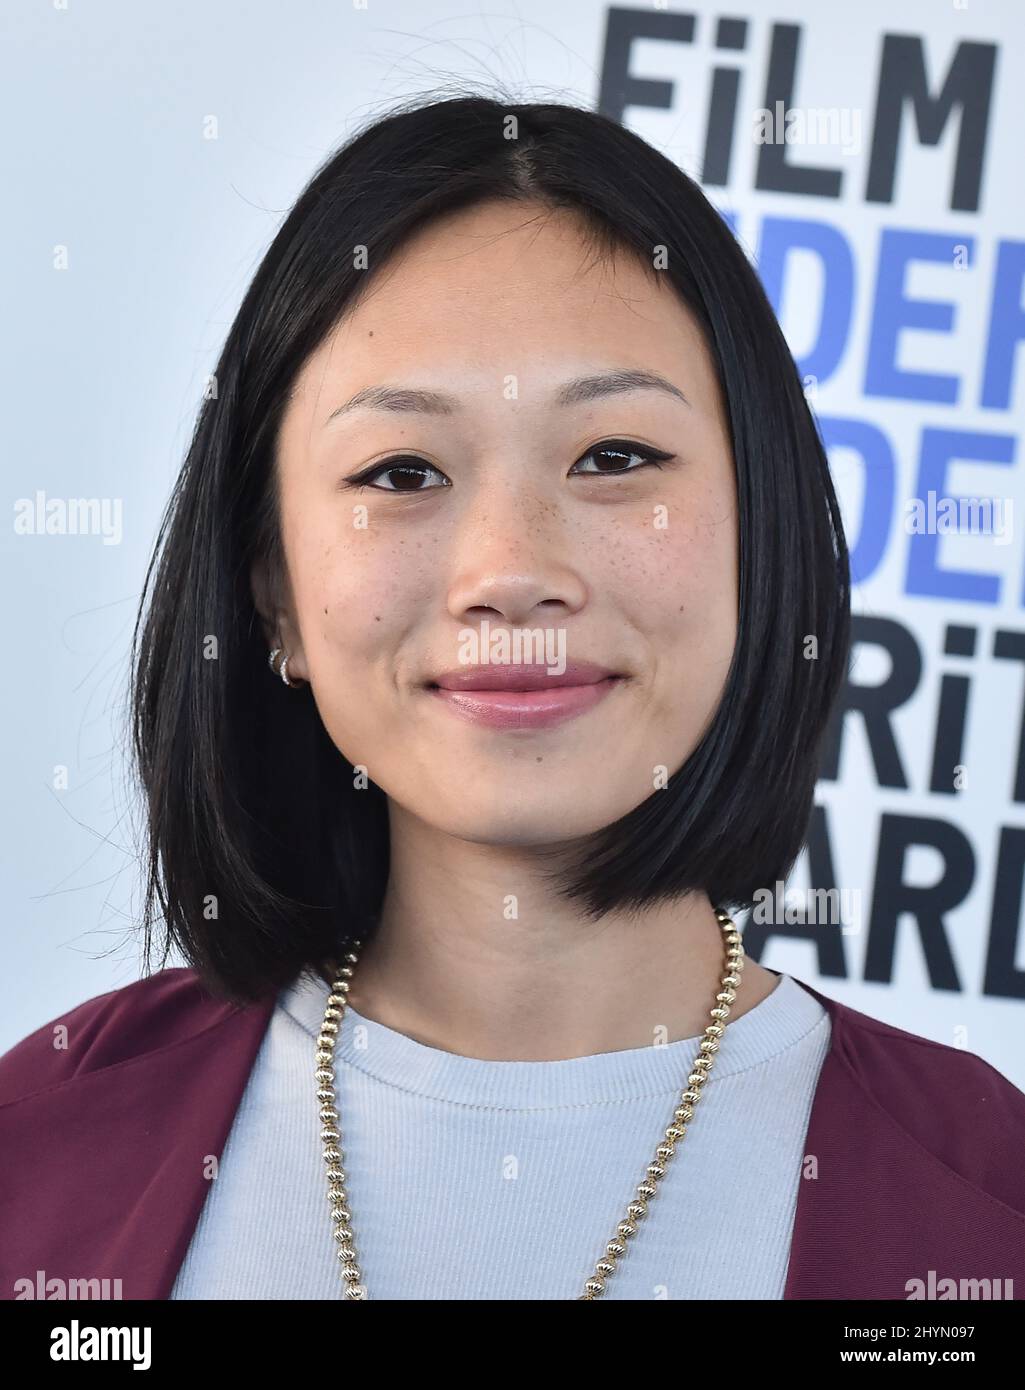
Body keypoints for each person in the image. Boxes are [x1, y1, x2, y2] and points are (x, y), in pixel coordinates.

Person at [2, 93, 1024, 1303]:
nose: (511, 571)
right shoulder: (38, 1148)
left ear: (763, 535)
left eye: (614, 457)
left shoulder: (988, 1204)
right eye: (400, 472)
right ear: (272, 595)